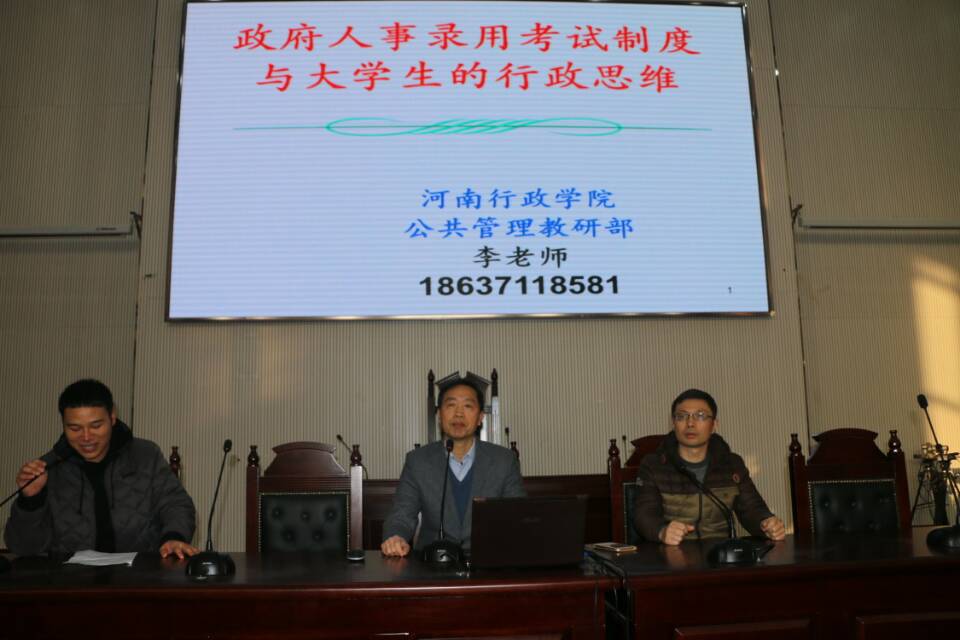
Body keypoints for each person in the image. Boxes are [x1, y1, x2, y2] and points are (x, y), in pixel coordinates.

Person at [4, 379, 199, 559]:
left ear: (112, 417)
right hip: (70, 580)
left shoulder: (145, 455)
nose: (86, 437)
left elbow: (176, 504)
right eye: (74, 428)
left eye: (96, 426)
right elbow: (24, 549)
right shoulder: (48, 469)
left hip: (140, 574)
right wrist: (31, 500)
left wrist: (174, 537)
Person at [381, 373, 525, 557]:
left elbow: (518, 517)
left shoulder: (504, 461)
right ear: (439, 415)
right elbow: (401, 515)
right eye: (451, 405)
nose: (458, 413)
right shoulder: (417, 461)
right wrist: (396, 537)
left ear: (480, 417)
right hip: (432, 564)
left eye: (467, 406)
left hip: (489, 563)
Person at [634, 388, 786, 545]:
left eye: (700, 416)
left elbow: (751, 508)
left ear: (714, 425)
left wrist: (766, 523)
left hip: (720, 552)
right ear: (673, 423)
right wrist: (662, 531)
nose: (690, 423)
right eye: (682, 416)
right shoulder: (654, 465)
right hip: (672, 552)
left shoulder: (732, 464)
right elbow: (644, 514)